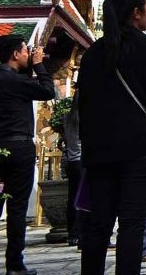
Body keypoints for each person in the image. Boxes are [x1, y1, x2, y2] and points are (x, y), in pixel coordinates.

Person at [77, 0, 146, 275]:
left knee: (99, 223)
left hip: (99, 149)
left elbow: (83, 105)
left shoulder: (92, 54)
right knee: (132, 222)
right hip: (140, 147)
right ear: (136, 13)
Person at [0, 34, 55, 275]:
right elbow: (47, 90)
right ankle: (14, 264)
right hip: (19, 149)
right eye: (26, 50)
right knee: (17, 208)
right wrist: (39, 65)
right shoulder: (16, 82)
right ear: (16, 54)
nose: (28, 53)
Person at [63, 94, 84, 249]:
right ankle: (80, 232)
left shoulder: (67, 118)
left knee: (72, 198)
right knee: (83, 199)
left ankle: (73, 233)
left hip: (71, 160)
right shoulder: (83, 117)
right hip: (82, 159)